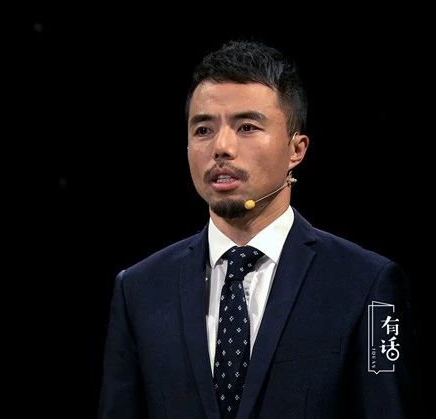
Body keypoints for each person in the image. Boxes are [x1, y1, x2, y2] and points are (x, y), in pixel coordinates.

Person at [98, 40, 413, 418]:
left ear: (296, 150)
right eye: (203, 129)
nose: (221, 147)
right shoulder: (139, 289)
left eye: (247, 127)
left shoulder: (367, 284)